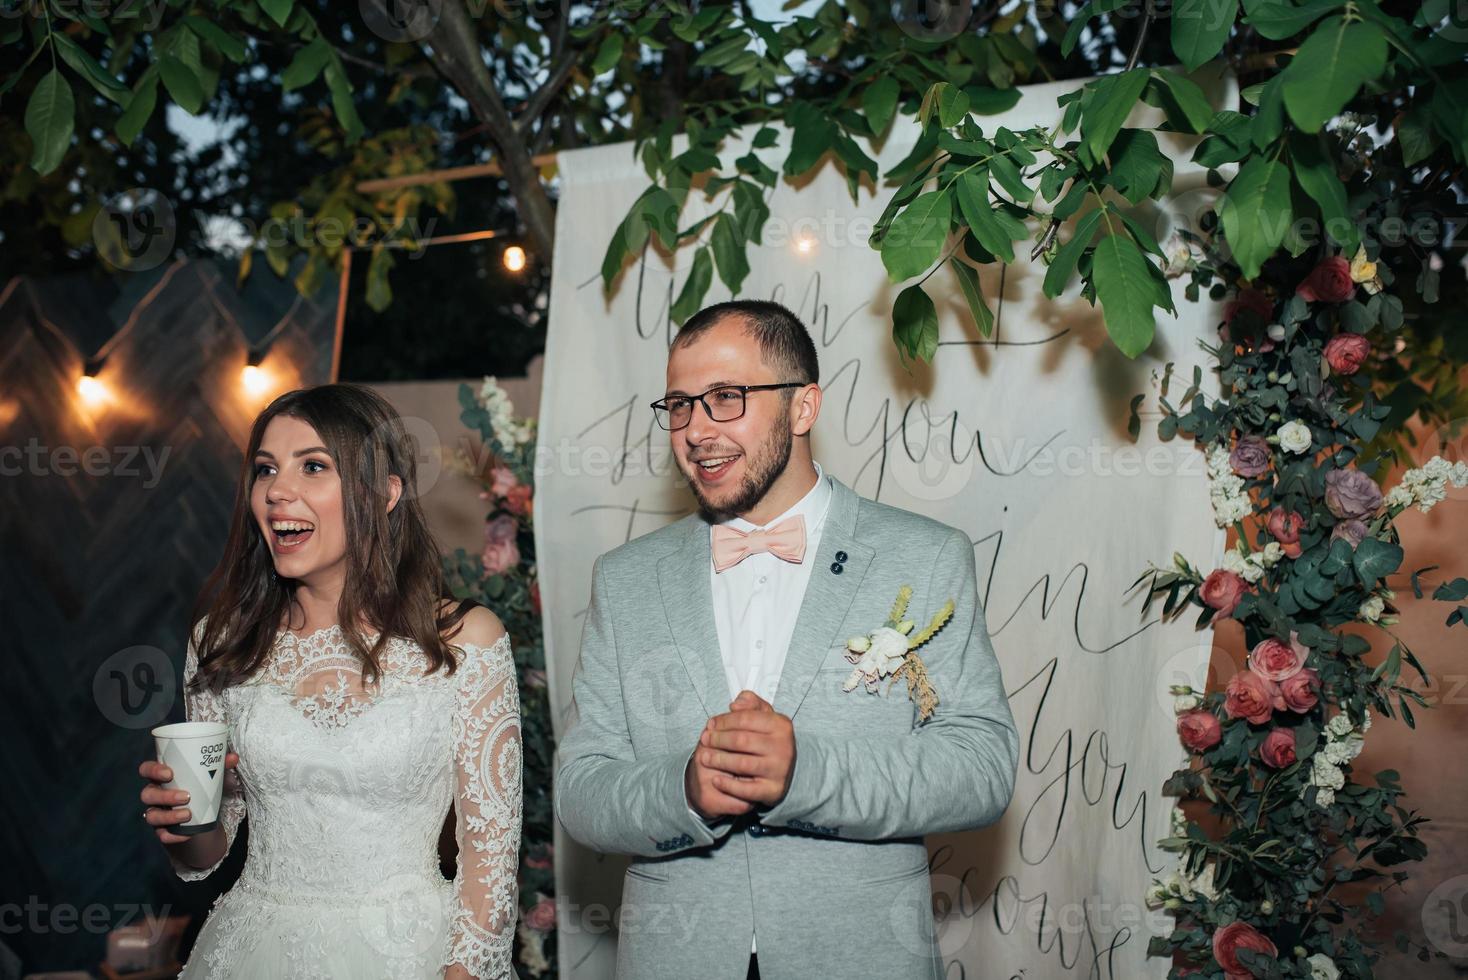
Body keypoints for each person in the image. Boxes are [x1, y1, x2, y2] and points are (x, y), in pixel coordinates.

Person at [554, 300, 1020, 980]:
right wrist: (684, 788)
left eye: (725, 398)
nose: (695, 430)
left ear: (804, 408)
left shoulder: (924, 558)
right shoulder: (625, 580)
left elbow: (981, 767)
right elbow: (581, 790)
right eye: (680, 405)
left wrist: (806, 774)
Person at [138, 384, 522, 979]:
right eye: (266, 470)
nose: (277, 492)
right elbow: (207, 850)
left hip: (408, 953)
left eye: (313, 466)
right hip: (252, 951)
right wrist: (182, 824)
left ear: (386, 491)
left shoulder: (465, 643)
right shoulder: (222, 643)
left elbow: (489, 863)